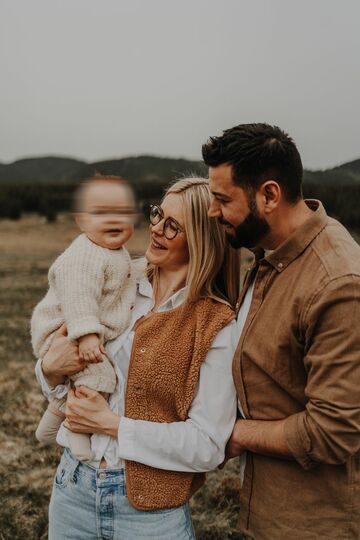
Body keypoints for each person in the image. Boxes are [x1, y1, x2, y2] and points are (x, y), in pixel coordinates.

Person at [35, 177, 241, 539]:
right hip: (73, 490)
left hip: (150, 515)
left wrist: (110, 424)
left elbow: (207, 445)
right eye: (158, 214)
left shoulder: (215, 323)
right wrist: (49, 371)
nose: (156, 229)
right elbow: (65, 361)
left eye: (173, 225)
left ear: (202, 240)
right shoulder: (117, 278)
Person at [202, 123, 360, 539]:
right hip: (262, 510)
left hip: (311, 523)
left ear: (269, 195)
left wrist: (235, 433)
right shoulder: (269, 252)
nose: (213, 212)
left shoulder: (338, 283)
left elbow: (334, 431)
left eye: (222, 199)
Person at [31, 174, 137, 462]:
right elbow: (79, 297)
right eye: (101, 213)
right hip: (66, 330)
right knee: (99, 376)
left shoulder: (114, 251)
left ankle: (50, 424)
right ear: (81, 221)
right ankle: (77, 429)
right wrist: (87, 334)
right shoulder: (84, 256)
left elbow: (121, 281)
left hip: (79, 329)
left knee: (86, 375)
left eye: (121, 212)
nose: (112, 219)